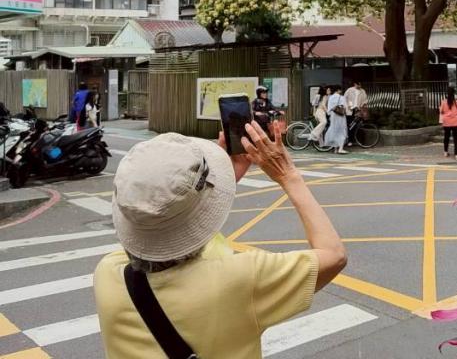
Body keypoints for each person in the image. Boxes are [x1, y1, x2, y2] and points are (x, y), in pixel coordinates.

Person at [94, 121, 346, 359]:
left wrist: (197, 193)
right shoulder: (240, 280)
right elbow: (333, 255)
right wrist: (288, 175)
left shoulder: (107, 274)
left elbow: (161, 226)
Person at [439, 86, 457, 160]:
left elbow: (441, 111)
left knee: (446, 137)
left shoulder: (443, 102)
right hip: (456, 122)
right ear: (454, 93)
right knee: (456, 139)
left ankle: (445, 152)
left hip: (446, 122)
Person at [324, 86, 348, 154]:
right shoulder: (342, 97)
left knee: (334, 130)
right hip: (340, 116)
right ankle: (341, 148)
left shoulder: (331, 97)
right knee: (342, 131)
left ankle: (335, 149)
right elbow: (345, 107)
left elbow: (329, 108)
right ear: (338, 90)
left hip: (333, 116)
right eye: (340, 90)